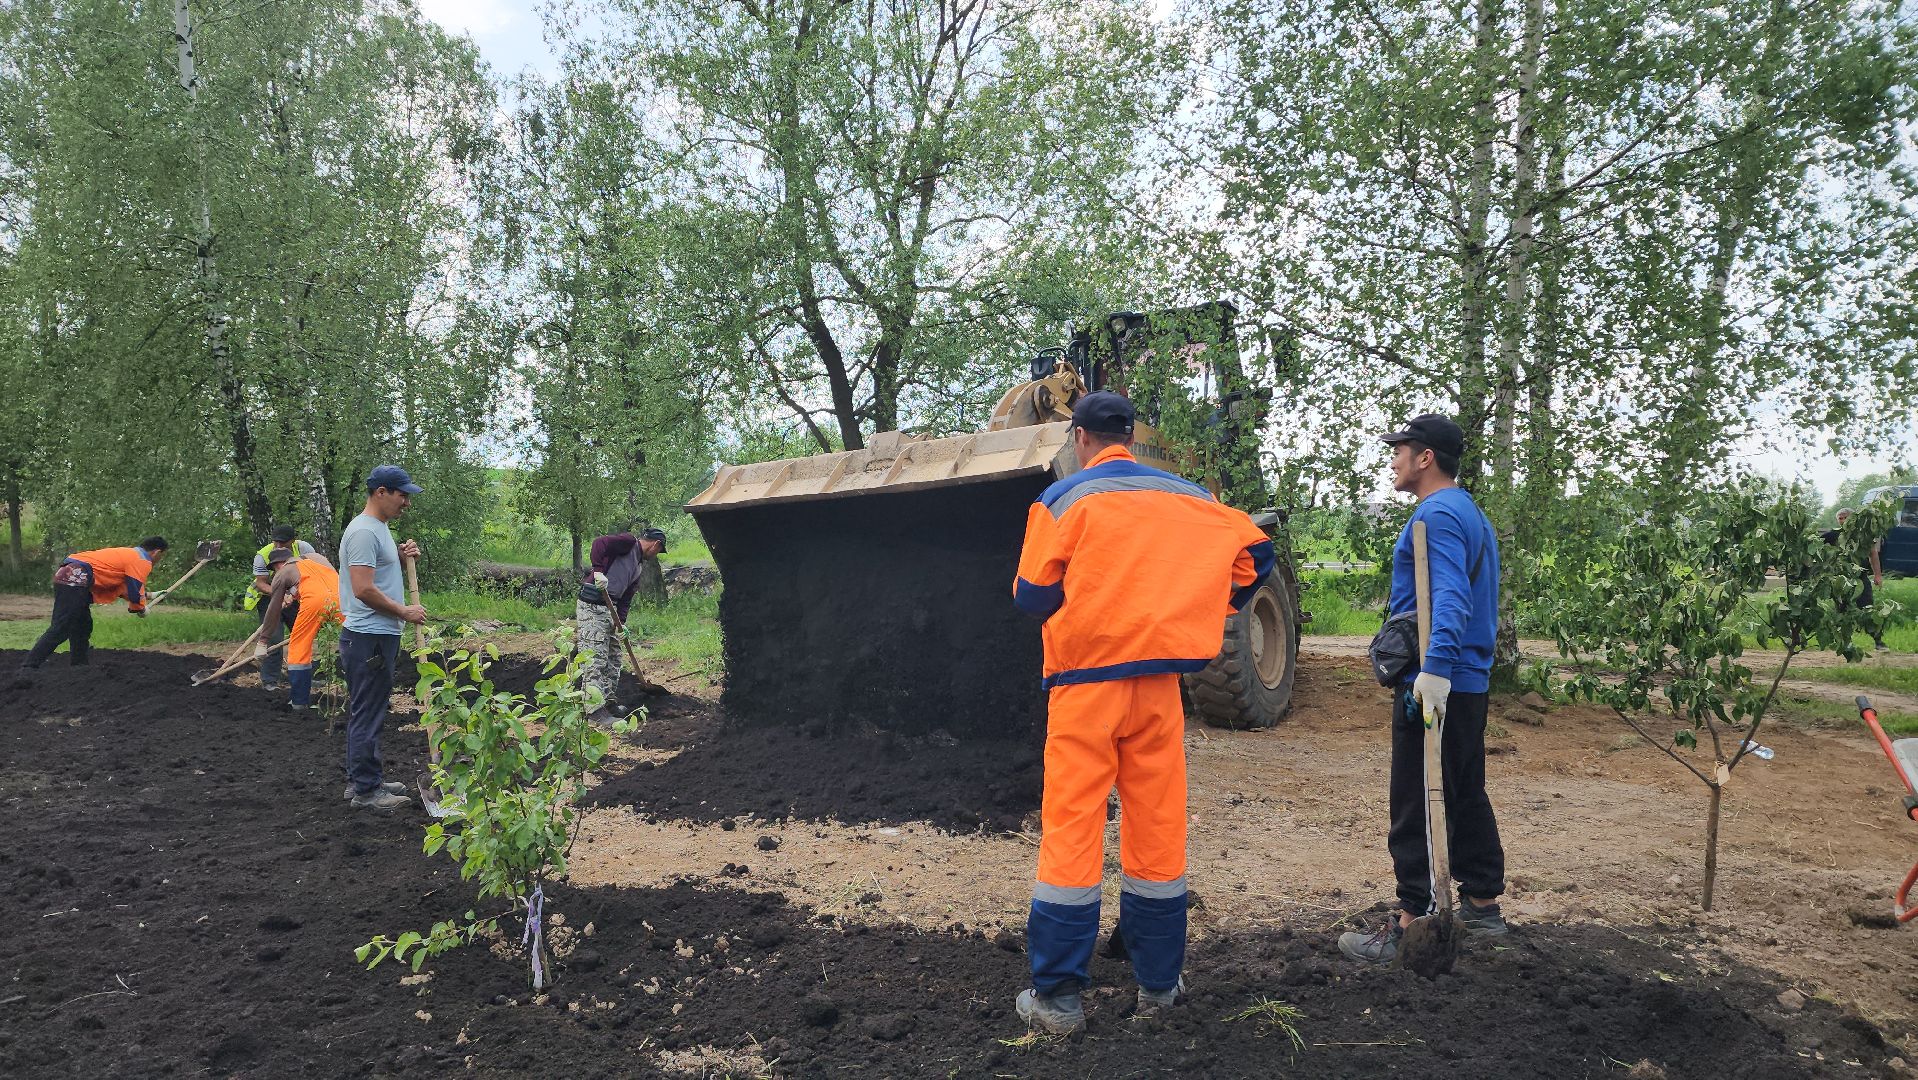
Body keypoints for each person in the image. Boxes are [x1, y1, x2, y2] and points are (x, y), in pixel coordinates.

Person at [1009, 391, 1276, 1034]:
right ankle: (1159, 988)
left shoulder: (1063, 501)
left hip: (1085, 690)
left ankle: (1060, 999)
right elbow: (1256, 558)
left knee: (1073, 830)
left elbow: (1031, 596)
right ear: (1131, 435)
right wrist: (1199, 604)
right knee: (1157, 830)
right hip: (1160, 690)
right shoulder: (1194, 500)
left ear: (1079, 439)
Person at [1338, 414, 1508, 965]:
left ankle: (1411, 920)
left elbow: (1451, 598)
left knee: (1415, 796)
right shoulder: (1469, 512)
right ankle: (1482, 907)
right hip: (1470, 680)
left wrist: (1432, 673)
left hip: (1434, 684)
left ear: (1426, 457)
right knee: (1464, 788)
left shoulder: (1436, 515)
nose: (1393, 459)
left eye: (1400, 450)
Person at [337, 465, 427, 811]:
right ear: (381, 493)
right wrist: (404, 611)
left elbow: (376, 574)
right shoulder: (363, 532)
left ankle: (364, 778)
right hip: (368, 637)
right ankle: (366, 790)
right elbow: (362, 589)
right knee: (368, 711)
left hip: (376, 635)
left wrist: (402, 559)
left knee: (369, 708)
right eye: (402, 494)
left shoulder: (378, 529)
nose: (406, 502)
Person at [21, 538, 169, 670]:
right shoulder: (142, 561)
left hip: (71, 576)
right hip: (75, 578)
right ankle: (29, 666)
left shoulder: (130, 555)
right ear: (157, 553)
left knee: (82, 625)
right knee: (63, 626)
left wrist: (151, 595)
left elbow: (125, 587)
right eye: (162, 557)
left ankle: (79, 666)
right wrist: (141, 609)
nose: (159, 560)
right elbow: (135, 590)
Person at [576, 526, 668, 723]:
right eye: (659, 551)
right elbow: (599, 544)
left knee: (614, 658)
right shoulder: (628, 542)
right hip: (592, 606)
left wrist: (621, 625)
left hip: (612, 609)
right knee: (595, 659)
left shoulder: (638, 567)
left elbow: (626, 599)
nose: (657, 555)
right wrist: (598, 572)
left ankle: (608, 701)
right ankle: (593, 710)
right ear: (656, 544)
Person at [258, 547, 344, 717]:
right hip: (343, 597)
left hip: (314, 602)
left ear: (278, 564)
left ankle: (299, 702)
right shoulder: (317, 557)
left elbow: (273, 610)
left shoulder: (282, 574)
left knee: (299, 649)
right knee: (354, 641)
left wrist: (262, 641)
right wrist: (294, 592)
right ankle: (373, 699)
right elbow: (327, 581)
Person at [245, 525, 318, 690]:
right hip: (268, 598)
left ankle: (303, 676)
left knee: (302, 635)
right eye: (275, 542)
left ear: (293, 541)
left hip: (296, 596)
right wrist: (280, 594)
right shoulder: (262, 556)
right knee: (274, 637)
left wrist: (292, 594)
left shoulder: (305, 549)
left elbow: (311, 574)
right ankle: (270, 681)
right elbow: (260, 583)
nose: (278, 546)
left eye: (283, 543)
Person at [1823, 508, 1888, 652]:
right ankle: (1845, 644)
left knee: (1868, 609)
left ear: (1853, 519)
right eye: (1840, 518)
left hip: (1861, 578)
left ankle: (1878, 642)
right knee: (1842, 611)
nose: (1842, 520)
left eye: (1845, 517)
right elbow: (1816, 548)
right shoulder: (1832, 535)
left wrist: (1877, 575)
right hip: (1840, 580)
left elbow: (1873, 554)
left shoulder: (1864, 535)